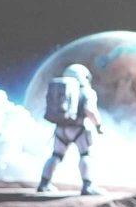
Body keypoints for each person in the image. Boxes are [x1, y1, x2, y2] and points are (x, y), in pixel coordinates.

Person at [38, 63, 102, 195]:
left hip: (61, 129)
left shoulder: (62, 89)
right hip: (79, 129)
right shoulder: (88, 92)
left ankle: (44, 184)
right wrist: (98, 125)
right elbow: (90, 111)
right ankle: (88, 186)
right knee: (85, 155)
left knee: (56, 156)